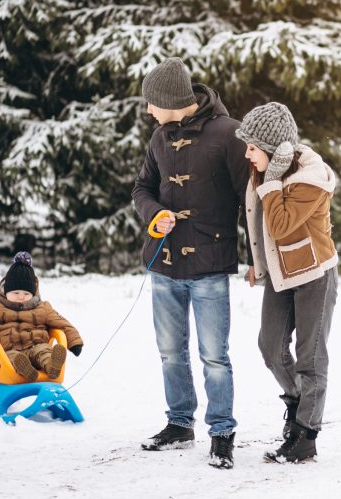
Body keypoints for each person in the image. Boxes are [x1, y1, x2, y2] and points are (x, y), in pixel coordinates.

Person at [131, 57, 248, 470]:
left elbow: (249, 201)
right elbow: (142, 188)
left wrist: (256, 260)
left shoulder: (228, 134)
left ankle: (222, 432)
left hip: (210, 264)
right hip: (164, 262)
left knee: (215, 354)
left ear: (172, 100)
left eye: (151, 103)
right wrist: (154, 213)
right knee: (169, 352)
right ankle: (179, 424)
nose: (148, 111)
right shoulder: (160, 138)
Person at [236, 102, 339, 464]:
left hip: (315, 275)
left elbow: (280, 225)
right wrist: (257, 264)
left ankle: (306, 434)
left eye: (252, 147)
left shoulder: (310, 180)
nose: (246, 154)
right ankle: (297, 403)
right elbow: (257, 223)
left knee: (310, 357)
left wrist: (272, 182)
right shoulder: (266, 174)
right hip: (282, 273)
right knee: (270, 346)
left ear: (273, 149)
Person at [0, 252, 83, 381]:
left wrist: (74, 343)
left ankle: (52, 367)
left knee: (44, 352)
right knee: (13, 358)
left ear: (33, 293)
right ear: (5, 291)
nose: (21, 296)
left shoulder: (43, 308)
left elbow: (62, 323)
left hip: (36, 346)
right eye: (16, 292)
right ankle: (26, 369)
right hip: (8, 351)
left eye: (26, 293)